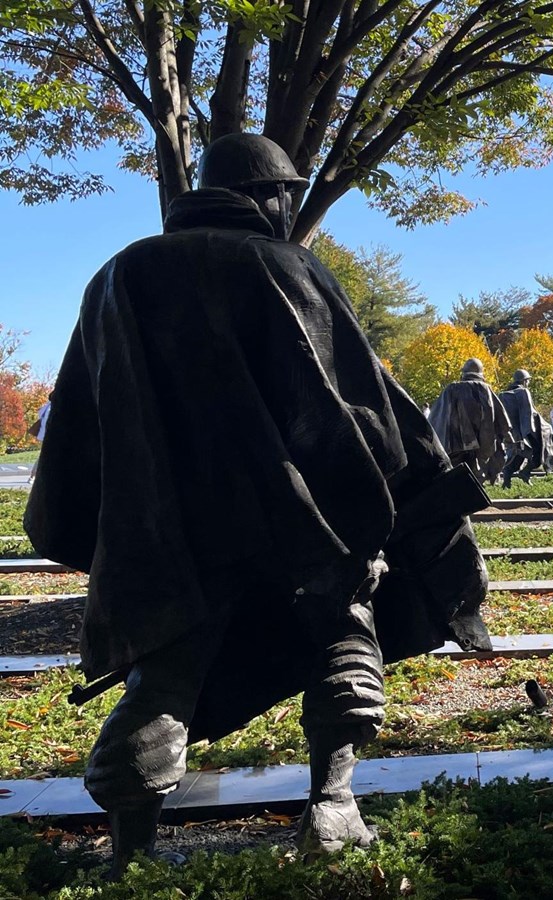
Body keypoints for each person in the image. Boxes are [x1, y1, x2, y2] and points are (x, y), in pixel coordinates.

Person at [22, 133, 491, 869]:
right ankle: (332, 808)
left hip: (165, 526)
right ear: (267, 195)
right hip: (295, 520)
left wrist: (98, 524)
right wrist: (410, 489)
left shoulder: (117, 276)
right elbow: (355, 402)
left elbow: (82, 417)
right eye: (287, 194)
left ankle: (131, 853)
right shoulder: (283, 264)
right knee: (342, 633)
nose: (289, 206)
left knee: (162, 672)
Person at [428, 358, 512, 483]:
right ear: (481, 373)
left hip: (456, 442)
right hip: (482, 441)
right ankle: (475, 491)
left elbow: (437, 417)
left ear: (464, 372)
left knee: (456, 471)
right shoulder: (485, 389)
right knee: (478, 469)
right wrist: (507, 434)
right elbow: (500, 415)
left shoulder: (451, 389)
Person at [497, 370, 553, 486]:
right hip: (527, 431)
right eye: (528, 380)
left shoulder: (503, 395)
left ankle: (507, 479)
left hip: (513, 432)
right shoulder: (524, 392)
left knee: (519, 454)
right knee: (539, 453)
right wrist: (545, 426)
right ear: (524, 381)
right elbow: (530, 413)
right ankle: (525, 472)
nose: (528, 383)